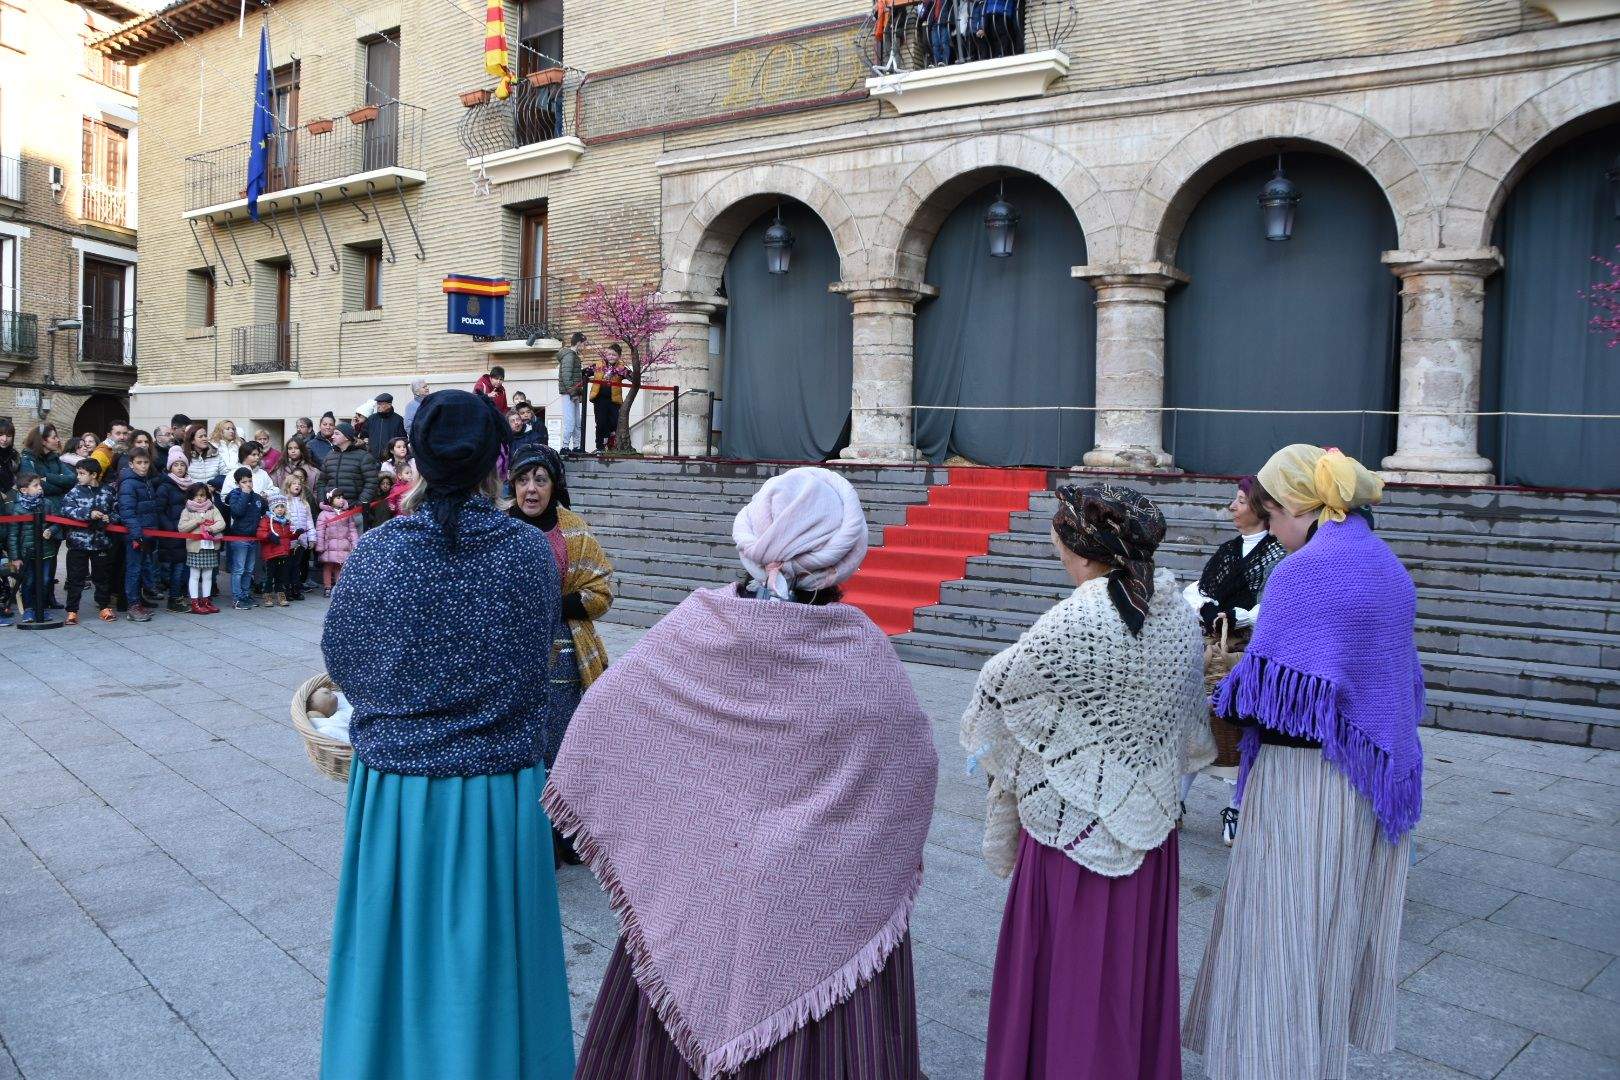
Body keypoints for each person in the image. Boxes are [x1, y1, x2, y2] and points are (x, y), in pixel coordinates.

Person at [551, 466, 937, 1080]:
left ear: (750, 540)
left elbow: (602, 726)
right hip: (818, 916)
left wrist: (680, 822)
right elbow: (911, 783)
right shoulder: (866, 660)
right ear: (845, 560)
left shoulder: (691, 630)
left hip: (694, 895)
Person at [320, 388, 574, 1080]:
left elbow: (342, 660)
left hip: (397, 793)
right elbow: (535, 664)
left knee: (390, 958)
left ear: (420, 458)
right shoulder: (527, 554)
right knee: (495, 964)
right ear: (496, 461)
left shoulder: (377, 553)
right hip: (499, 791)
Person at [1183, 446, 1422, 1080]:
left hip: (1303, 786)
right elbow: (1388, 683)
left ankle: (1267, 1063)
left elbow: (1270, 697)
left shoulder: (1305, 572)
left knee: (1281, 935)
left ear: (1297, 504)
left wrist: (1222, 691)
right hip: (1365, 780)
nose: (1271, 527)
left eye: (1269, 509)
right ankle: (1313, 1062)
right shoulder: (1384, 564)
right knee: (1329, 935)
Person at [963, 483, 1206, 1080]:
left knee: (1072, 969)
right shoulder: (1173, 608)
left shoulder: (1079, 616)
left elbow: (996, 690)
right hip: (1150, 823)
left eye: (1058, 527)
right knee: (1129, 971)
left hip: (1074, 832)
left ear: (1080, 545)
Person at [506, 444, 614, 842]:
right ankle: (525, 836)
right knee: (518, 744)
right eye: (522, 479)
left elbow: (601, 592)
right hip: (509, 656)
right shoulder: (496, 530)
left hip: (565, 657)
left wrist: (552, 603)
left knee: (562, 745)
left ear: (555, 485)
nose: (530, 489)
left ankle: (564, 837)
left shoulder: (575, 531)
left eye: (540, 479)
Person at [1179, 474, 1287, 845]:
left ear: (1259, 507)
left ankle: (1236, 807)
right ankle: (1176, 801)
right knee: (1199, 724)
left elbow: (1275, 601)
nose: (1232, 507)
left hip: (1252, 654)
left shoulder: (1277, 552)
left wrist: (1241, 615)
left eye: (1240, 501)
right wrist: (1208, 607)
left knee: (1242, 730)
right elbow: (1198, 589)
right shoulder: (1228, 551)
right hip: (1215, 652)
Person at [20, 424, 76, 608]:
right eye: (54, 437)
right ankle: (33, 600)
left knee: (51, 557)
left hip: (56, 515)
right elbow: (36, 487)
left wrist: (49, 478)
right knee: (35, 559)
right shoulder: (28, 460)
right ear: (43, 440)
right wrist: (53, 483)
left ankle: (48, 596)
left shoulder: (55, 459)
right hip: (37, 515)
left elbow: (71, 479)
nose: (58, 440)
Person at [60, 457, 120, 625]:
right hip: (78, 543)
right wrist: (88, 513)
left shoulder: (108, 491)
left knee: (102, 577)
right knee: (75, 578)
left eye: (82, 473)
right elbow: (65, 510)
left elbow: (117, 511)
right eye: (77, 473)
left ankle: (104, 607)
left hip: (100, 542)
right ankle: (72, 610)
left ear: (94, 475)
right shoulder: (74, 492)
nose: (78, 477)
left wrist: (110, 518)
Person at [116, 448, 162, 623]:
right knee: (133, 570)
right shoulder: (129, 483)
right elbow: (127, 511)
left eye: (146, 462)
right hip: (136, 535)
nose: (143, 466)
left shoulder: (146, 481)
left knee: (143, 568)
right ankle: (133, 605)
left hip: (147, 532)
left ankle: (139, 601)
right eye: (139, 463)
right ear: (131, 464)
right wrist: (137, 534)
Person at [5, 473, 52, 621]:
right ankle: (29, 609)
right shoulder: (17, 509)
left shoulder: (47, 504)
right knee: (29, 581)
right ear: (24, 490)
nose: (39, 488)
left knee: (45, 580)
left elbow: (56, 523)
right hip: (27, 552)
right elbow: (13, 535)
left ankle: (42, 608)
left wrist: (52, 530)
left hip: (46, 551)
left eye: (40, 485)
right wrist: (15, 557)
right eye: (35, 485)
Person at [224, 468, 268, 610]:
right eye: (244, 482)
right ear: (238, 484)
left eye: (250, 481)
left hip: (253, 538)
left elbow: (263, 510)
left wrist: (264, 499)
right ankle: (237, 598)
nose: (248, 484)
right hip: (239, 538)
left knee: (249, 569)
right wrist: (244, 494)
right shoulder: (235, 496)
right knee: (239, 569)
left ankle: (245, 594)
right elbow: (237, 512)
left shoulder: (256, 497)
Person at [178, 483, 224, 615]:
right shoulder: (187, 510)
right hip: (195, 548)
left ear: (207, 496)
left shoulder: (212, 508)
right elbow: (181, 528)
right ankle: (194, 602)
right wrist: (197, 521)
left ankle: (206, 600)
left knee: (208, 575)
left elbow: (221, 523)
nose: (199, 498)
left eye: (202, 495)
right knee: (194, 575)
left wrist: (211, 528)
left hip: (210, 547)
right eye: (195, 496)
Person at [156, 451, 193, 612]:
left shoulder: (190, 486)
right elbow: (159, 510)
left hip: (188, 532)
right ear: (170, 467)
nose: (179, 468)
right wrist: (171, 528)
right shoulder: (165, 486)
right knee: (175, 567)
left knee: (183, 567)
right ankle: (173, 597)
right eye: (176, 465)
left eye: (182, 464)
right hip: (172, 533)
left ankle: (179, 595)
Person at [324, 423, 379, 512]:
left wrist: (358, 504)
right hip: (331, 510)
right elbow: (321, 481)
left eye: (337, 433)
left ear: (347, 437)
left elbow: (371, 483)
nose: (332, 436)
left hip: (354, 510)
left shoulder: (364, 456)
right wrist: (322, 500)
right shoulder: (329, 456)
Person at [316, 489, 360, 596]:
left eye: (342, 497)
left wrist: (355, 544)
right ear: (331, 499)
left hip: (343, 545)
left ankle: (338, 586)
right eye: (338, 498)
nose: (341, 500)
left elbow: (352, 530)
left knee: (339, 566)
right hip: (329, 546)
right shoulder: (324, 514)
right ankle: (327, 587)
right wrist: (320, 546)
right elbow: (320, 530)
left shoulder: (347, 513)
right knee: (328, 566)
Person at [282, 474, 315, 601]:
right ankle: (287, 589)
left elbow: (309, 521)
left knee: (297, 566)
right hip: (289, 540)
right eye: (294, 483)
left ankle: (296, 588)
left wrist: (311, 538)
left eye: (299, 484)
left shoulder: (304, 503)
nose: (297, 486)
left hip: (301, 540)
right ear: (288, 485)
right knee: (287, 566)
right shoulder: (284, 502)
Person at [259, 496, 296, 607]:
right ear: (272, 508)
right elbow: (260, 533)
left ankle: (280, 593)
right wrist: (269, 536)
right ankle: (267, 593)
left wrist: (297, 534)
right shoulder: (266, 519)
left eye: (282, 507)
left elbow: (287, 536)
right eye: (277, 507)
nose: (280, 509)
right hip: (271, 553)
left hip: (283, 553)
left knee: (281, 576)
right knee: (269, 576)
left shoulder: (286, 522)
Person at [590, 345, 626, 453]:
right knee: (601, 423)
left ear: (619, 356)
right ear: (606, 355)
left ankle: (611, 445)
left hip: (614, 400)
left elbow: (632, 377)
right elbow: (585, 372)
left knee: (614, 423)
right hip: (599, 399)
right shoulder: (598, 365)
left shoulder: (621, 368)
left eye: (614, 355)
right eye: (609, 354)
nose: (611, 357)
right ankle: (600, 446)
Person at [557, 332, 587, 453]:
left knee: (576, 422)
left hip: (573, 392)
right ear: (579, 343)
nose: (585, 347)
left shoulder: (574, 356)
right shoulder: (569, 356)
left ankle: (576, 446)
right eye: (584, 344)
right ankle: (564, 447)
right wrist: (574, 394)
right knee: (570, 421)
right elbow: (566, 376)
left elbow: (572, 375)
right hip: (569, 394)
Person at [365, 393, 407, 465]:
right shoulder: (371, 418)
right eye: (378, 404)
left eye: (381, 404)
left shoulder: (398, 419)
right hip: (372, 459)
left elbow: (402, 439)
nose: (378, 406)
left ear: (389, 405)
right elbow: (364, 435)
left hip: (390, 460)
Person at [183, 423, 224, 490]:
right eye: (200, 437)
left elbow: (225, 474)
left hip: (214, 494)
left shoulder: (216, 454)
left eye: (205, 436)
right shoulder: (185, 457)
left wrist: (213, 486)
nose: (204, 439)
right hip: (193, 496)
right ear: (192, 441)